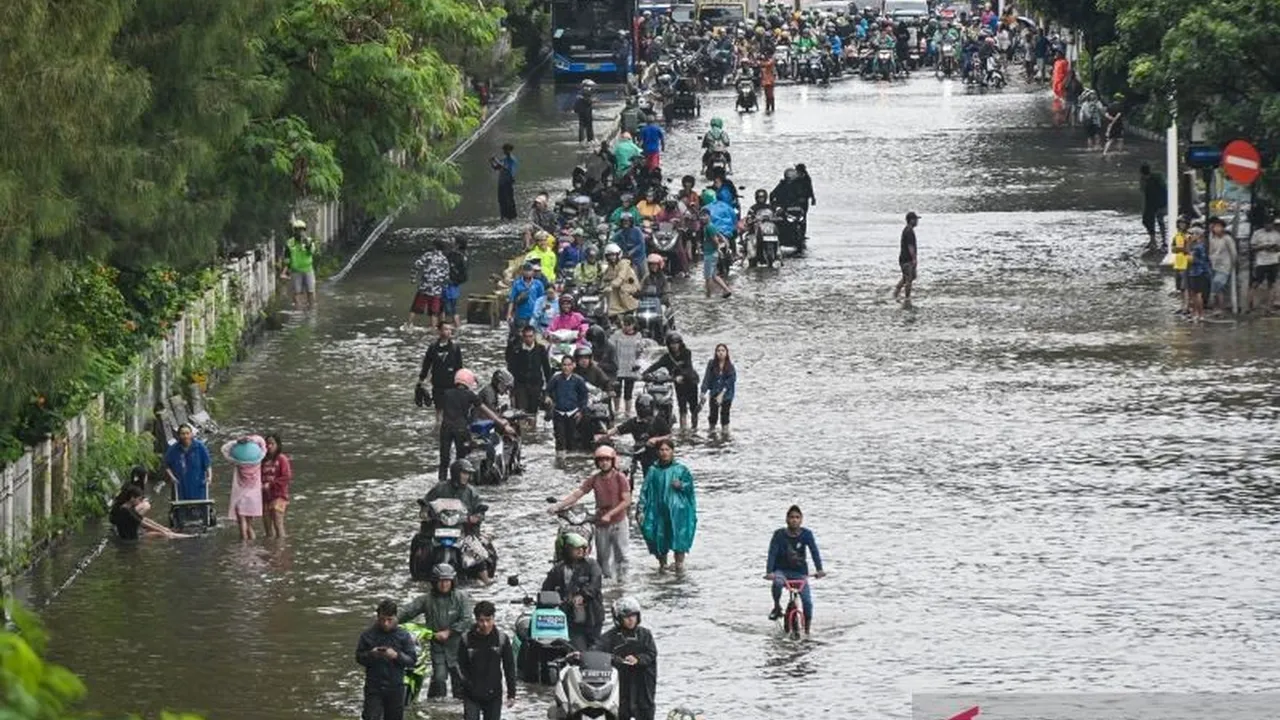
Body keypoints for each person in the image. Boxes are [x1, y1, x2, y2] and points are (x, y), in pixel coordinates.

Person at [548, 445, 632, 579]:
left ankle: (622, 584)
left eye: (607, 460)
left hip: (618, 521)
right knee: (602, 557)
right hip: (600, 522)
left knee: (622, 555)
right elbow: (577, 495)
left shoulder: (620, 478)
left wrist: (610, 514)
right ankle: (606, 583)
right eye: (601, 460)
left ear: (612, 461)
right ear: (597, 462)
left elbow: (627, 500)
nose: (604, 463)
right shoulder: (595, 479)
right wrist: (558, 506)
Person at [400, 564, 472, 699]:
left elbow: (467, 620)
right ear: (434, 582)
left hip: (459, 645)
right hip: (438, 645)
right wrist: (390, 620)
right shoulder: (426, 599)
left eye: (447, 581)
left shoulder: (461, 597)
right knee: (439, 678)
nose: (444, 584)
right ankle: (436, 705)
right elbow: (407, 611)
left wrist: (449, 632)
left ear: (453, 581)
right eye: (441, 581)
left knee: (460, 679)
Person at [435, 370, 512, 483]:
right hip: (461, 429)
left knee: (444, 458)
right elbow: (486, 411)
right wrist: (502, 423)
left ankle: (441, 482)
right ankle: (459, 482)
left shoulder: (447, 393)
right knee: (461, 458)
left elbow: (439, 412)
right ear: (469, 382)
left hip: (445, 428)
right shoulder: (470, 395)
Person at [764, 505, 826, 634]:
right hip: (781, 571)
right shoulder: (779, 535)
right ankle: (776, 606)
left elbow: (814, 551)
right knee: (777, 583)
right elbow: (772, 553)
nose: (794, 520)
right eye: (791, 517)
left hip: (799, 573)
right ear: (787, 519)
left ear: (801, 520)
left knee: (807, 602)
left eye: (797, 517)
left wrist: (819, 570)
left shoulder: (807, 534)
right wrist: (769, 572)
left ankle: (807, 630)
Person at [595, 597, 658, 720]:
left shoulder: (645, 634)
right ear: (618, 619)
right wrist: (615, 659)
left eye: (633, 616)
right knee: (618, 712)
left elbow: (651, 653)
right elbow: (597, 650)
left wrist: (638, 659)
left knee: (645, 712)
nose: (631, 620)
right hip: (621, 685)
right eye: (626, 617)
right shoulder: (610, 636)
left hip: (643, 684)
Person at [637, 440, 695, 572]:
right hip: (658, 510)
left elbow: (690, 489)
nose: (664, 453)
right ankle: (663, 565)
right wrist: (641, 509)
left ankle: (679, 565)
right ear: (658, 452)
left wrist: (681, 485)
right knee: (658, 536)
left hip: (678, 511)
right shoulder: (653, 470)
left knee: (678, 537)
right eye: (662, 450)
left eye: (667, 449)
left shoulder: (681, 470)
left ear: (672, 451)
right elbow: (644, 490)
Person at [357, 599, 420, 720]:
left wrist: (396, 656)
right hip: (374, 687)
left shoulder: (404, 636)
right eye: (382, 620)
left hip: (395, 687)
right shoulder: (367, 635)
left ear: (395, 617)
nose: (385, 623)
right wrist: (371, 654)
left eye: (389, 620)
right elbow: (359, 657)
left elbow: (412, 661)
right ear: (378, 617)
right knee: (370, 717)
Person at [541, 531, 605, 650]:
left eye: (582, 548)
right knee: (577, 650)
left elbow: (595, 584)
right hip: (571, 619)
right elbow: (546, 590)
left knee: (595, 649)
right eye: (575, 548)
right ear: (566, 550)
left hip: (593, 617)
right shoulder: (558, 570)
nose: (580, 551)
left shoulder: (592, 565)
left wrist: (582, 595)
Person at [457, 601, 517, 720]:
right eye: (481, 620)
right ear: (476, 620)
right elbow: (459, 666)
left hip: (494, 694)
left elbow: (509, 667)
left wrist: (511, 694)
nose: (485, 624)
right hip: (471, 694)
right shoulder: (466, 640)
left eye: (488, 620)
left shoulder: (501, 639)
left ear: (494, 618)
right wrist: (465, 686)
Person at [595, 394, 672, 485]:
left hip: (657, 454)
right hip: (642, 453)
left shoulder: (658, 421)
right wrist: (603, 435)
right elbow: (618, 429)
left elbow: (669, 436)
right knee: (642, 475)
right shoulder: (633, 422)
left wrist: (656, 439)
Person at [643, 333, 699, 431]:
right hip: (679, 385)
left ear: (680, 344)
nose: (674, 346)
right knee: (682, 407)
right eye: (671, 343)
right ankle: (683, 430)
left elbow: (688, 368)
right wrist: (644, 373)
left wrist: (681, 376)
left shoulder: (686, 353)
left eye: (676, 343)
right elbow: (656, 365)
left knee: (693, 408)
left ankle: (694, 428)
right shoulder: (667, 357)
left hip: (691, 382)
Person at [417, 322, 464, 426]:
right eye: (446, 329)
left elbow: (459, 367)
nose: (448, 331)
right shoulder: (433, 347)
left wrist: (461, 383)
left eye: (450, 329)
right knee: (438, 409)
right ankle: (438, 427)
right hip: (437, 383)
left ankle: (449, 427)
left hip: (452, 384)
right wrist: (421, 380)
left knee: (451, 409)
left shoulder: (455, 348)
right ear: (439, 331)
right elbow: (426, 365)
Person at [545, 355, 589, 462]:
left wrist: (580, 411)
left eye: (569, 365)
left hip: (573, 413)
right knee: (559, 439)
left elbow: (584, 397)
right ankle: (559, 461)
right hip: (559, 413)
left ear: (573, 366)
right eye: (564, 365)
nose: (566, 368)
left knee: (572, 439)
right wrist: (547, 398)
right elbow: (547, 391)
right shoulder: (556, 379)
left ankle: (571, 462)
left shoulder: (578, 380)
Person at [222, 435, 267, 541]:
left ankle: (244, 545)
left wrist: (237, 441)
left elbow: (224, 449)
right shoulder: (259, 459)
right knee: (249, 525)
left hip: (241, 496)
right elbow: (262, 443)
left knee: (242, 522)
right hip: (254, 497)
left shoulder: (237, 462)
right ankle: (251, 545)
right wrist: (252, 439)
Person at [109, 484, 191, 540]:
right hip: (133, 538)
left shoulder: (128, 507)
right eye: (139, 499)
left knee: (164, 532)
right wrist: (163, 531)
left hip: (136, 534)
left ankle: (187, 536)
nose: (140, 502)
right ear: (132, 498)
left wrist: (163, 528)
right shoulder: (125, 510)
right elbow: (144, 524)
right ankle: (190, 537)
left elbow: (145, 519)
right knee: (163, 534)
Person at [505, 324, 554, 414]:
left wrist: (548, 388)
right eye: (526, 336)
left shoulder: (541, 349)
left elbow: (546, 368)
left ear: (534, 336)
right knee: (521, 411)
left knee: (533, 410)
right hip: (521, 385)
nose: (528, 339)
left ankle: (532, 426)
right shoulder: (517, 350)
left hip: (535, 384)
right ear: (523, 337)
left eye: (530, 336)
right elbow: (510, 366)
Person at [163, 424, 212, 501]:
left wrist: (209, 477)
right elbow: (166, 465)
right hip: (180, 485)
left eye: (187, 433)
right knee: (180, 508)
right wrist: (172, 477)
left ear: (191, 434)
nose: (185, 436)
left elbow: (207, 464)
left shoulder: (200, 447)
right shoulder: (173, 449)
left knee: (200, 507)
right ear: (178, 435)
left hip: (197, 483)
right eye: (183, 434)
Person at [410, 240, 451, 329]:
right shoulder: (444, 259)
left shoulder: (428, 255)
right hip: (436, 290)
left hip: (424, 287)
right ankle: (433, 328)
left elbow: (417, 265)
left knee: (415, 307)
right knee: (434, 311)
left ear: (434, 246)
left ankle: (409, 324)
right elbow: (446, 275)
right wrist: (444, 287)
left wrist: (413, 278)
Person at [609, 317, 646, 416]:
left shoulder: (638, 335)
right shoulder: (617, 334)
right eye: (624, 324)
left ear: (633, 325)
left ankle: (628, 412)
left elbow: (640, 352)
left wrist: (640, 350)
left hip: (631, 366)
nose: (626, 327)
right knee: (617, 389)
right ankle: (616, 410)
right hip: (618, 366)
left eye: (628, 325)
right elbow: (610, 346)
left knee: (629, 391)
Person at [259, 433, 292, 538]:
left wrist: (271, 484)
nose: (269, 446)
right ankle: (270, 549)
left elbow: (286, 477)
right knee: (267, 525)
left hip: (279, 495)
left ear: (277, 445)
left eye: (272, 444)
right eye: (267, 444)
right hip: (265, 497)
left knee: (278, 522)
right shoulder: (262, 460)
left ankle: (281, 549)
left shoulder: (282, 459)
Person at [699, 344, 736, 437]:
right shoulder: (711, 364)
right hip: (714, 392)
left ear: (726, 353)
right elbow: (707, 378)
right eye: (718, 351)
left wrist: (722, 394)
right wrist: (703, 392)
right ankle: (712, 433)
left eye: (723, 351)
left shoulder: (730, 366)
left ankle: (725, 434)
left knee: (725, 415)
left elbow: (731, 381)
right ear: (716, 353)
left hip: (727, 394)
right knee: (713, 415)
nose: (721, 353)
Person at [282, 219, 318, 309]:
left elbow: (312, 252)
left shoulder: (309, 241)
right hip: (295, 271)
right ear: (294, 231)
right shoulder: (290, 243)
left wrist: (307, 243)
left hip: (308, 270)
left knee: (311, 291)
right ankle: (298, 310)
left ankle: (312, 308)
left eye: (301, 230)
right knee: (297, 292)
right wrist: (284, 272)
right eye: (297, 230)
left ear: (304, 230)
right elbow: (287, 259)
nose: (299, 232)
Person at [603, 243, 641, 319]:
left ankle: (629, 311)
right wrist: (599, 286)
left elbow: (620, 278)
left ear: (618, 254)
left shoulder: (624, 264)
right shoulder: (611, 266)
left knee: (621, 290)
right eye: (609, 255)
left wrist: (610, 285)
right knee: (606, 293)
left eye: (613, 255)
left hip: (631, 287)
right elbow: (605, 277)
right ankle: (613, 315)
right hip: (619, 287)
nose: (612, 257)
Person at [1207, 216, 1236, 312]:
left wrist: (1233, 265)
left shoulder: (1227, 239)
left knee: (1218, 282)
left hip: (1225, 266)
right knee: (1219, 290)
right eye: (1215, 227)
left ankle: (1212, 297)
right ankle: (1219, 308)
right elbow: (1210, 252)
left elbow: (1233, 253)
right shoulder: (1213, 239)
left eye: (1219, 227)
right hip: (1214, 265)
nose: (1217, 229)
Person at [1251, 215, 1280, 311]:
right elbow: (1253, 247)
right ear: (1264, 224)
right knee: (1256, 282)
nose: (1269, 225)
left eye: (1270, 224)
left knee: (1271, 283)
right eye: (1267, 224)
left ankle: (1269, 305)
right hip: (1261, 262)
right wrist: (1263, 247)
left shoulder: (1277, 235)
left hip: (1273, 260)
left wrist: (1274, 248)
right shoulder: (1257, 234)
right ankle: (1251, 303)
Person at [506, 262, 546, 331]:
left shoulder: (538, 284)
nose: (527, 273)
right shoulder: (517, 284)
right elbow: (511, 300)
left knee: (533, 335)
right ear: (522, 272)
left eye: (529, 271)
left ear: (533, 272)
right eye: (526, 270)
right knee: (520, 334)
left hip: (534, 315)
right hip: (521, 315)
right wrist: (509, 314)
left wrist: (543, 313)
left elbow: (542, 299)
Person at [1140, 163, 1168, 252]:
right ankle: (1155, 240)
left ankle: (1161, 241)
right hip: (1153, 204)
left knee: (1158, 221)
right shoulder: (1157, 177)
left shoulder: (1156, 178)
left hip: (1158, 203)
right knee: (1147, 221)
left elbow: (1143, 190)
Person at [894, 212, 919, 302]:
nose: (917, 221)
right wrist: (914, 259)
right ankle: (907, 298)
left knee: (910, 277)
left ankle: (896, 292)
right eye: (916, 219)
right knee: (909, 279)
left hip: (904, 259)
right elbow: (910, 246)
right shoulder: (909, 231)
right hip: (907, 259)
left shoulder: (908, 230)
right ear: (911, 220)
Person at [444, 238, 469, 328]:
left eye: (453, 240)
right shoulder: (463, 255)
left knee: (446, 307)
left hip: (449, 284)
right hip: (455, 284)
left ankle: (445, 326)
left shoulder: (453, 255)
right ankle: (456, 326)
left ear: (457, 244)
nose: (450, 241)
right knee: (453, 308)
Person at [489, 144, 518, 220]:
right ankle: (503, 216)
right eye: (505, 150)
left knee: (509, 200)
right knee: (501, 200)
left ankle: (512, 216)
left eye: (507, 150)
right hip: (501, 182)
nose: (505, 151)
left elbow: (506, 169)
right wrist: (491, 162)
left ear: (510, 150)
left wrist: (496, 160)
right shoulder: (503, 159)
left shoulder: (512, 160)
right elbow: (496, 168)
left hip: (508, 182)